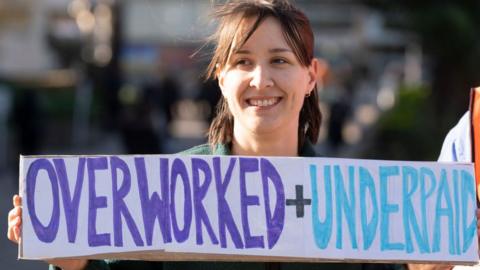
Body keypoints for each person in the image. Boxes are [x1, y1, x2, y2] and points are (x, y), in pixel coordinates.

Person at [3, 0, 433, 269]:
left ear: (311, 77)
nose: (260, 78)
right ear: (221, 78)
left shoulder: (354, 200)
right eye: (243, 61)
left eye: (280, 60)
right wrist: (75, 265)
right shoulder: (167, 190)